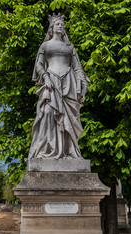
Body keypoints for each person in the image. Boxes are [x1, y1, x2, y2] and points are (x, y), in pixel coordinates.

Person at [28, 13, 89, 160]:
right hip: (51, 82)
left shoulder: (69, 47)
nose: (60, 26)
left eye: (62, 24)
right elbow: (39, 65)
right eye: (57, 24)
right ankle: (48, 149)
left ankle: (68, 152)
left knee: (68, 117)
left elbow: (77, 68)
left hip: (69, 84)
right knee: (48, 113)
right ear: (51, 27)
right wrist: (45, 77)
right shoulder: (46, 45)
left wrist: (83, 83)